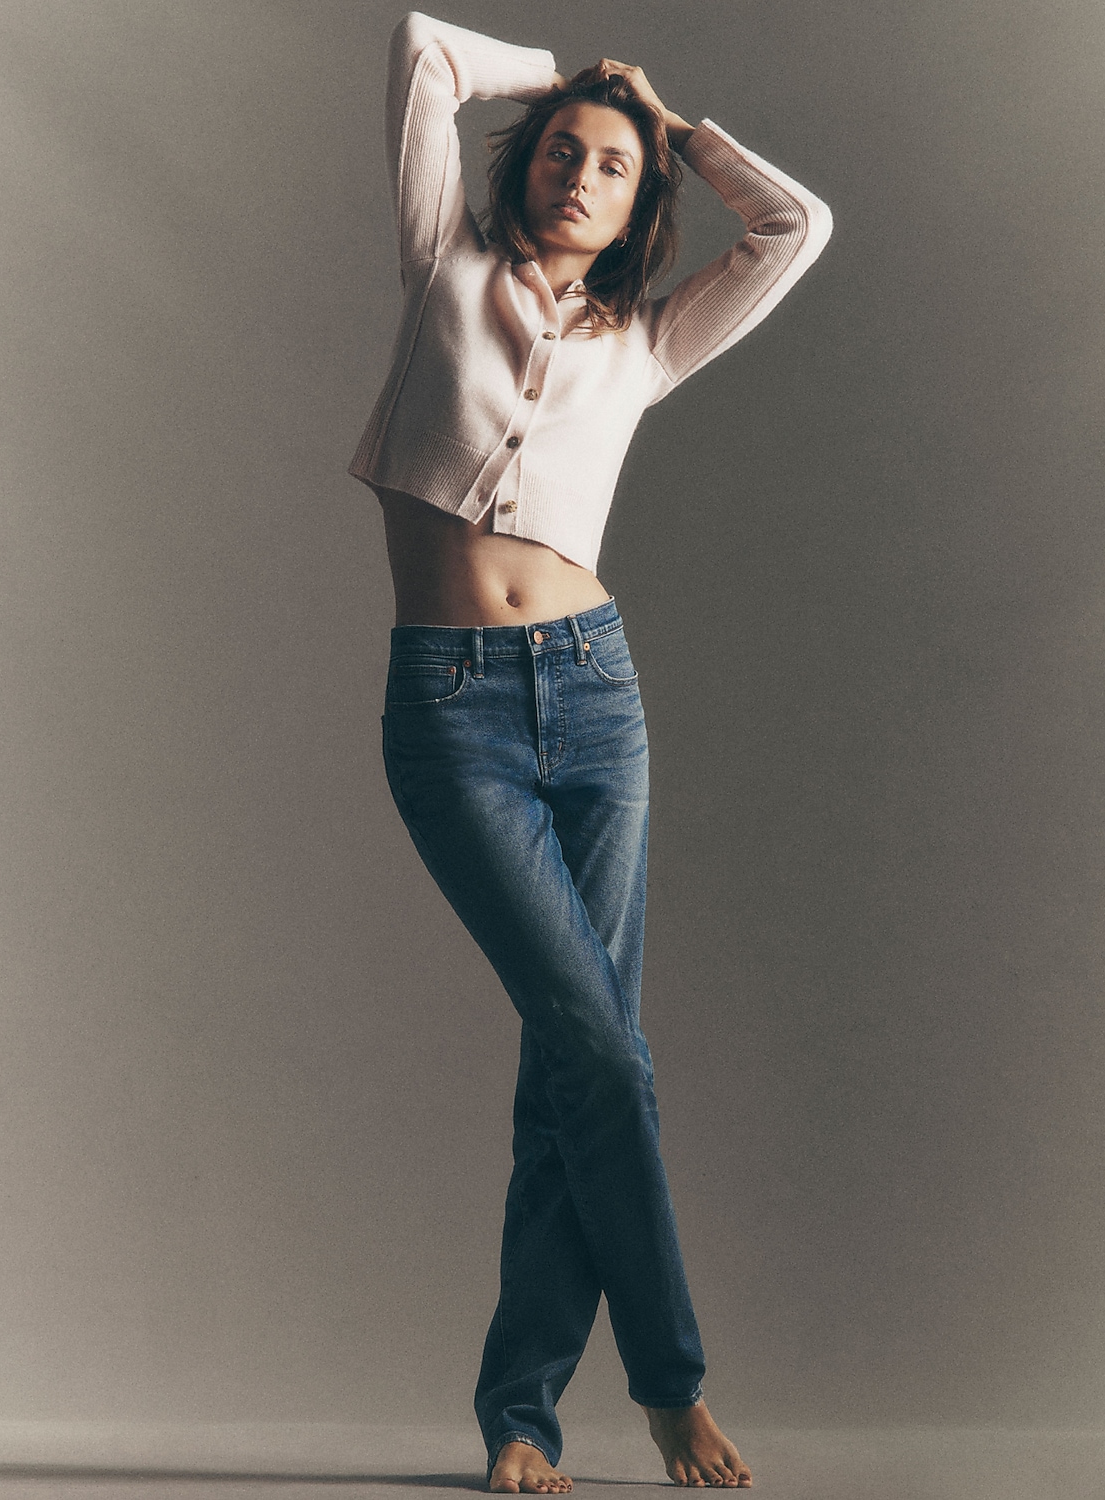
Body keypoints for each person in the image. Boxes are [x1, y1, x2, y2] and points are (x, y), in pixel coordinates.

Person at [349, 11, 832, 1492]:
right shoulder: (447, 261)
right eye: (563, 151)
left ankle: (519, 1417)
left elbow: (795, 225)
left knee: (578, 1060)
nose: (579, 171)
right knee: (595, 1051)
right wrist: (572, 74)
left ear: (639, 205)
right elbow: (426, 49)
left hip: (597, 700)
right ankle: (673, 1384)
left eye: (612, 168)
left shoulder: (646, 341)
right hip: (452, 715)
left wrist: (671, 126)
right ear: (525, 167)